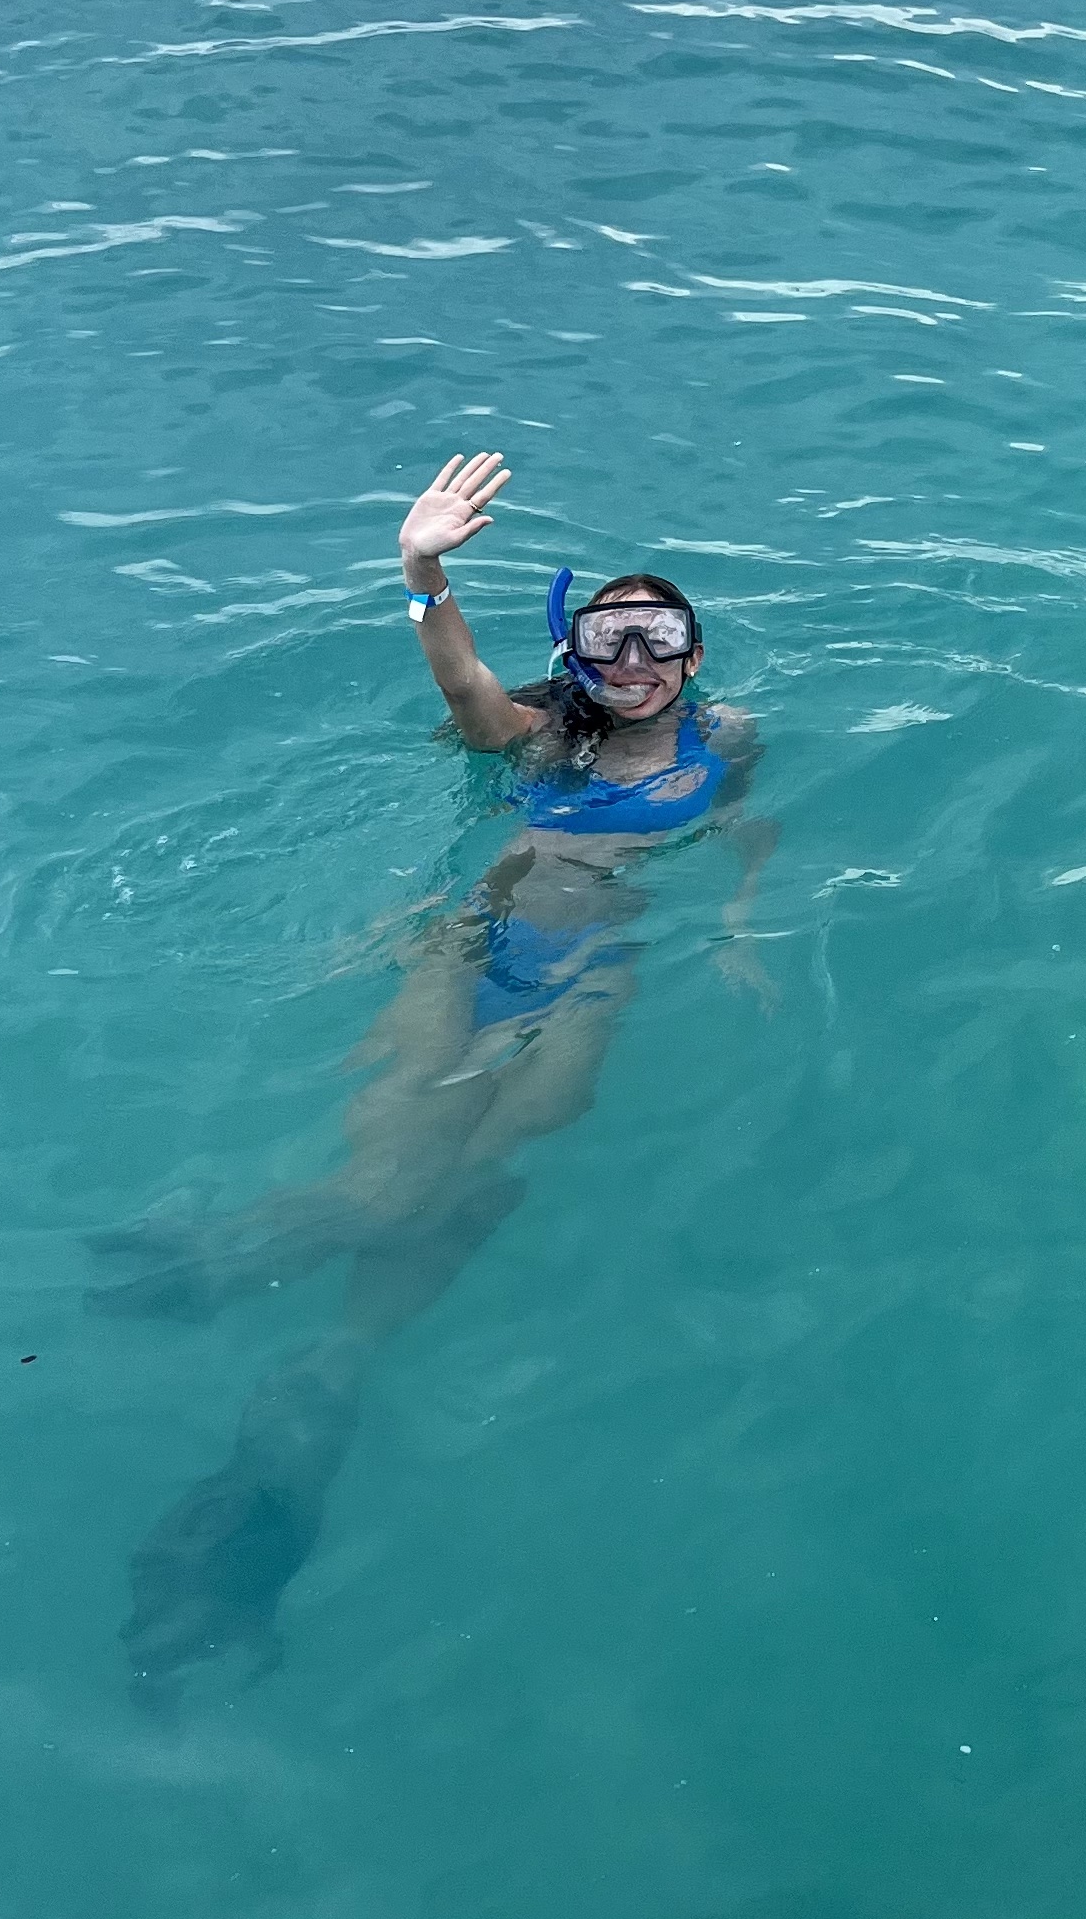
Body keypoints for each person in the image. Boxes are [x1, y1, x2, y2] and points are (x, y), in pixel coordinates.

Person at [104, 448, 774, 1701]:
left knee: (496, 1161)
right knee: (404, 1180)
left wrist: (741, 921)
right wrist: (420, 570)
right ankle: (242, 1300)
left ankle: (280, 1339)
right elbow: (464, 683)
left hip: (599, 961)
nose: (633, 662)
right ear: (578, 656)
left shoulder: (728, 737)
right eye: (610, 639)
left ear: (694, 655)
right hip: (471, 942)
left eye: (659, 638)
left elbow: (745, 826)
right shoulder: (540, 739)